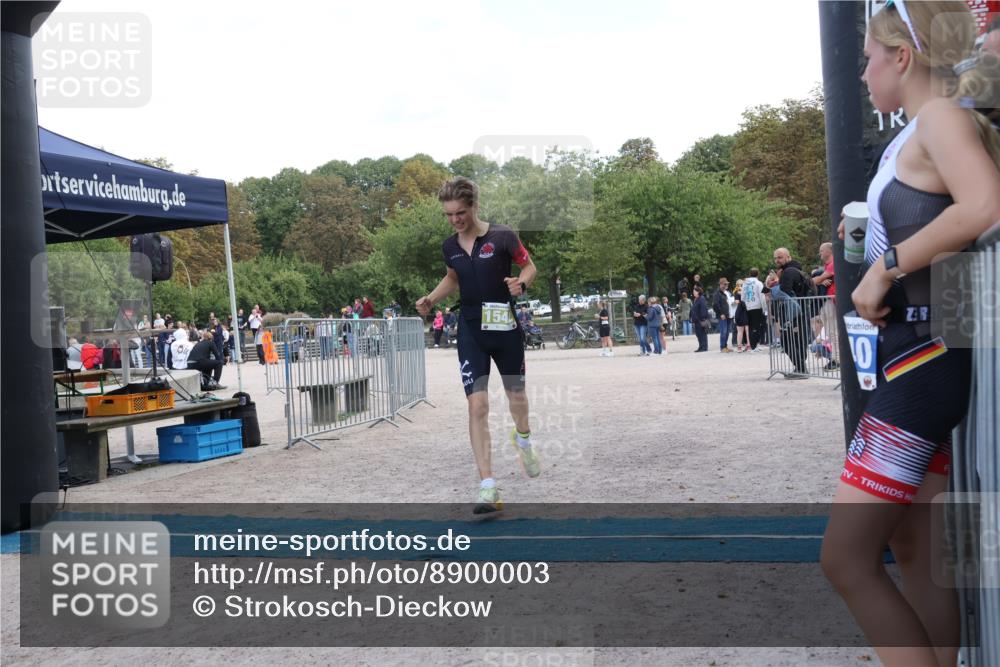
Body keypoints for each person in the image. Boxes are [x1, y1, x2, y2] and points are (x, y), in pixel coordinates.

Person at [820, 4, 1000, 667]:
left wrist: (886, 269)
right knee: (914, 547)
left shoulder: (942, 119)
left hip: (924, 368)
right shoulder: (914, 134)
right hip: (915, 363)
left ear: (902, 56)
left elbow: (985, 203)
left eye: (869, 57)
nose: (863, 73)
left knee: (843, 557)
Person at [415, 177, 539, 515]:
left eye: (460, 213)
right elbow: (454, 277)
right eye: (449, 215)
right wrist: (431, 297)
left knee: (517, 396)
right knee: (477, 405)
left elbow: (529, 265)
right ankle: (488, 487)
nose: (455, 220)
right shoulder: (449, 246)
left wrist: (521, 284)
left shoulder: (503, 236)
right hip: (471, 330)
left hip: (504, 328)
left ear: (474, 206)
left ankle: (523, 438)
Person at [768, 248, 810, 374]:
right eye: (775, 258)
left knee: (787, 341)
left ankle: (801, 369)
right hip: (799, 310)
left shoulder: (788, 272)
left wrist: (775, 285)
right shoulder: (795, 270)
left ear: (788, 257)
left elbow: (784, 292)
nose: (777, 260)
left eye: (780, 257)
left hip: (793, 312)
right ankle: (800, 368)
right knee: (798, 341)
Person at [812, 242, 840, 370]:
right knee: (831, 331)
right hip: (829, 300)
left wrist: (820, 280)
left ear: (829, 251)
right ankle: (835, 358)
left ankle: (837, 360)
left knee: (834, 331)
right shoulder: (828, 265)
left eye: (821, 250)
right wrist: (821, 280)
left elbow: (813, 281)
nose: (820, 253)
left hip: (832, 301)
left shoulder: (833, 264)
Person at [741, 268, 767, 350]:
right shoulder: (758, 283)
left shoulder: (745, 283)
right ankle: (754, 346)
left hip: (748, 307)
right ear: (757, 274)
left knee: (751, 327)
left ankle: (752, 345)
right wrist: (764, 308)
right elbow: (762, 296)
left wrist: (745, 304)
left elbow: (742, 296)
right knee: (757, 327)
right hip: (757, 306)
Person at [712, 278, 733, 353]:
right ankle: (722, 347)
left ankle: (725, 346)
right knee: (723, 331)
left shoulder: (728, 292)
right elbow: (715, 305)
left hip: (729, 315)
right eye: (725, 284)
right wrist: (720, 314)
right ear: (720, 284)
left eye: (727, 284)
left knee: (727, 332)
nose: (726, 285)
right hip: (722, 315)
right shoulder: (717, 293)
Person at [690, 286, 709, 352]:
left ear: (698, 292)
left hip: (700, 320)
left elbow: (703, 309)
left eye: (694, 291)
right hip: (696, 320)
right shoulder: (696, 299)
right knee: (698, 334)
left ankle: (704, 347)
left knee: (702, 334)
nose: (693, 293)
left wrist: (702, 318)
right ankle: (701, 346)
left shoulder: (701, 299)